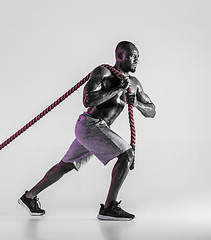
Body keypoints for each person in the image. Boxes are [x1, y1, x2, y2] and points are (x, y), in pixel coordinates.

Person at [18, 41, 156, 221]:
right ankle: (109, 208)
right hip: (89, 125)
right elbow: (88, 100)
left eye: (138, 57)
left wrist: (135, 103)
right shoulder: (103, 72)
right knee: (127, 154)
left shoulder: (135, 84)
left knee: (65, 165)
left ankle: (29, 197)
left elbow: (152, 110)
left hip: (98, 130)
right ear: (120, 56)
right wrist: (117, 90)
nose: (136, 60)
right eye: (132, 56)